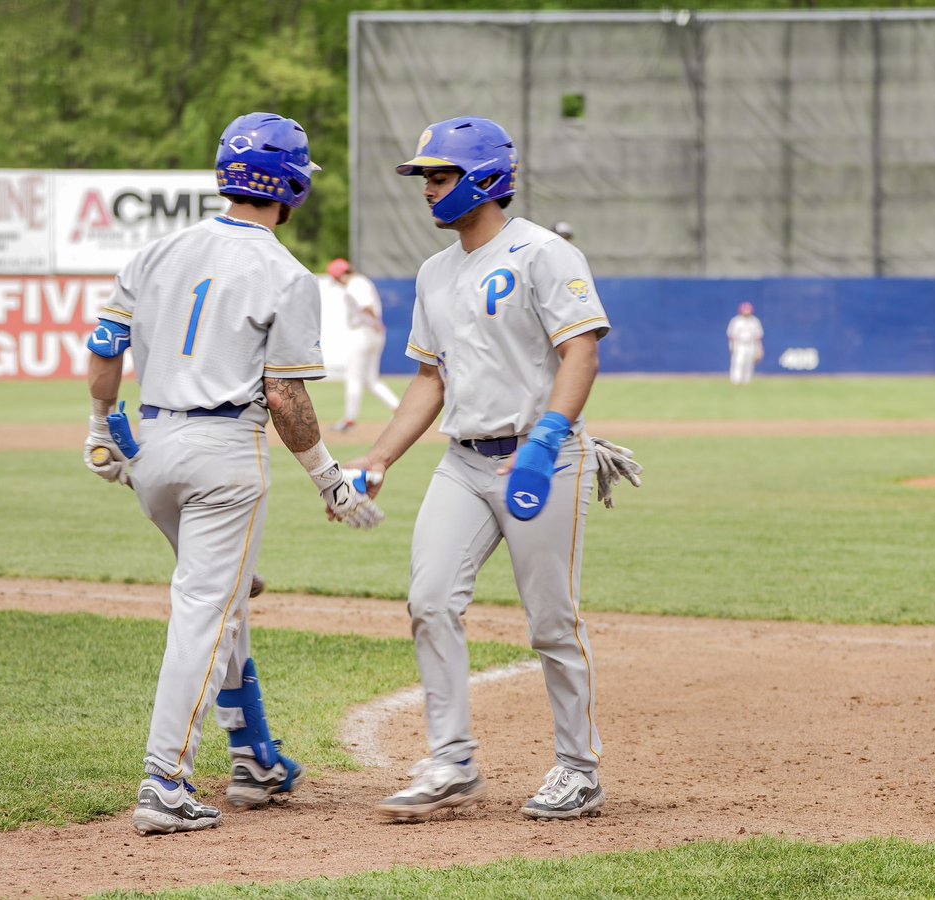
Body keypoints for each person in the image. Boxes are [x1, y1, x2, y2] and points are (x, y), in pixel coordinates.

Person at [82, 111, 383, 836]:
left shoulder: (157, 249)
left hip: (151, 451)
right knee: (205, 615)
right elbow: (285, 395)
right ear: (293, 185)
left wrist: (99, 425)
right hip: (224, 453)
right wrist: (329, 480)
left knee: (225, 599)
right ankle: (164, 782)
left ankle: (254, 760)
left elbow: (104, 342)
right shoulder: (285, 272)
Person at [348, 116, 612, 822]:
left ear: (486, 178)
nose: (427, 189)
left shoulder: (543, 254)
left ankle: (579, 770)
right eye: (425, 177)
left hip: (541, 458)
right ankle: (452, 761)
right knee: (430, 600)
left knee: (551, 622)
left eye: (440, 175)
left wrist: (549, 438)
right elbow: (431, 380)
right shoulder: (435, 272)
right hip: (463, 462)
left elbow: (580, 352)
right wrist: (378, 456)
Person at [327, 257, 400, 432]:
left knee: (354, 377)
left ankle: (350, 420)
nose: (337, 281)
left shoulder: (354, 284)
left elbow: (366, 306)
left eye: (336, 278)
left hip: (363, 332)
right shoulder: (362, 281)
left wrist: (375, 322)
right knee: (371, 380)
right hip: (373, 332)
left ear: (341, 275)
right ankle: (399, 409)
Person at [727, 301, 764, 385]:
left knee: (749, 363)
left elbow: (758, 336)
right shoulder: (736, 321)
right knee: (738, 362)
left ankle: (746, 381)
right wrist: (732, 346)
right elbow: (732, 335)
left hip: (751, 344)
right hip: (739, 344)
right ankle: (735, 381)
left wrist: (759, 349)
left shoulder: (754, 321)